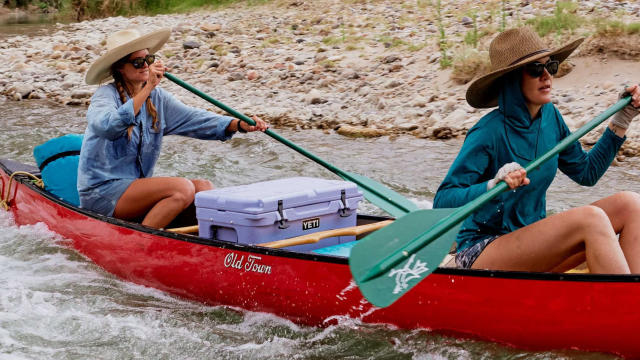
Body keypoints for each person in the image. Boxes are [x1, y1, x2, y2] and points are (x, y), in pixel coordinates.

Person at [433, 27, 640, 274]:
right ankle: (626, 306)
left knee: (631, 204)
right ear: (511, 80)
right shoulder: (488, 132)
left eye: (550, 66)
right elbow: (443, 201)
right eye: (534, 70)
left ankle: (630, 299)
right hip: (483, 249)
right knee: (591, 219)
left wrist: (622, 119)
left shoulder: (550, 117)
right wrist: (492, 185)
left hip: (533, 243)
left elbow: (587, 173)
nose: (546, 76)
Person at [79, 28, 268, 229]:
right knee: (181, 189)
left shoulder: (158, 99)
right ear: (120, 69)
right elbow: (107, 126)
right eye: (138, 62)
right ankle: (141, 244)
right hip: (102, 193)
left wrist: (238, 124)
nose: (146, 66)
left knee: (204, 190)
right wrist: (149, 88)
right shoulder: (105, 96)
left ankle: (198, 244)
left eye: (149, 59)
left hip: (133, 193)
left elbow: (196, 119)